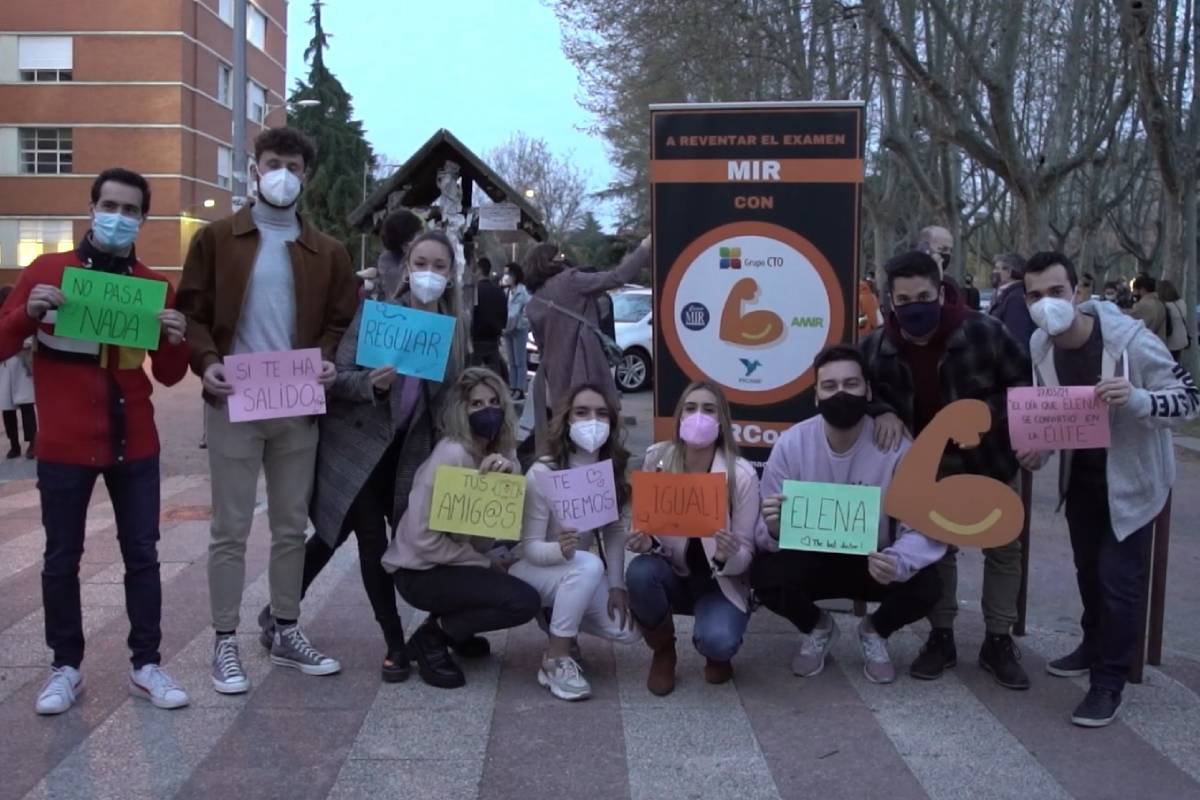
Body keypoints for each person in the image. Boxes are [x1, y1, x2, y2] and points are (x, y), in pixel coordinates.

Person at [0, 168, 191, 714]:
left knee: (143, 556)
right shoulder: (48, 271)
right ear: (91, 207)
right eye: (111, 205)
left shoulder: (154, 286)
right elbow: (1, 341)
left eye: (131, 210)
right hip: (63, 444)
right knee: (62, 557)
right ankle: (65, 667)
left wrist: (174, 338)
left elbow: (172, 375)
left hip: (136, 442)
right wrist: (24, 315)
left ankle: (146, 663)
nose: (119, 217)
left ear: (143, 220)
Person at [177, 127, 358, 694]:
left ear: (306, 176)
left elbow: (339, 318)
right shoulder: (215, 239)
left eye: (294, 166)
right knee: (229, 528)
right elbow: (194, 312)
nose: (283, 173)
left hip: (295, 400)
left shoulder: (327, 251)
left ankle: (285, 629)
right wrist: (206, 362)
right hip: (235, 397)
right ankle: (224, 641)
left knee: (289, 526)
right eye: (274, 162)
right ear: (254, 169)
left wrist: (327, 359)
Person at [264, 229, 466, 683]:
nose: (428, 274)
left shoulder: (451, 333)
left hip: (401, 458)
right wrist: (371, 385)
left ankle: (274, 613)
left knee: (331, 537)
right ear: (406, 268)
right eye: (421, 264)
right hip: (354, 447)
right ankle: (395, 644)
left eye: (439, 266)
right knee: (373, 541)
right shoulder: (379, 317)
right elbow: (336, 378)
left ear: (451, 276)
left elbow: (448, 400)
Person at [1018, 251, 1200, 726]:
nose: (1046, 304)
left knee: (1120, 584)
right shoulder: (1039, 345)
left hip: (1134, 484)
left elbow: (1188, 401)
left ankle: (1108, 683)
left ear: (1077, 292)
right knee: (1088, 573)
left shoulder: (1131, 342)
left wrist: (1138, 398)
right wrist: (1040, 450)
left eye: (1055, 292)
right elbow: (1056, 415)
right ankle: (1093, 643)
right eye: (1034, 295)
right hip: (1080, 482)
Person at [862, 250, 1032, 689]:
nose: (914, 306)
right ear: (890, 301)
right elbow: (856, 385)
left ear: (941, 291)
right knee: (937, 551)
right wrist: (880, 409)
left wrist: (985, 416)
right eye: (903, 299)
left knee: (1004, 549)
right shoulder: (878, 346)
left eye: (923, 295)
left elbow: (1023, 387)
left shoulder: (985, 332)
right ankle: (942, 637)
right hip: (927, 469)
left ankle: (998, 640)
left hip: (990, 460)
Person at [752, 345, 945, 684]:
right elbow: (763, 529)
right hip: (814, 558)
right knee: (763, 575)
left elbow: (921, 527)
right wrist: (775, 529)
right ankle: (818, 627)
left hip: (874, 561)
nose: (840, 393)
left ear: (868, 391)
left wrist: (898, 561)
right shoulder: (791, 444)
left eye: (851, 384)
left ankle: (874, 631)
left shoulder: (898, 447)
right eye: (830, 386)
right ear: (816, 396)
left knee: (929, 584)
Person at [382, 367, 541, 689]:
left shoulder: (504, 451)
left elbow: (510, 521)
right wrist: (482, 562)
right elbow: (422, 538)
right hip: (420, 570)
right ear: (462, 411)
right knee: (523, 601)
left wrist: (510, 479)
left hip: (457, 561)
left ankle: (454, 627)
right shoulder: (451, 454)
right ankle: (433, 638)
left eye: (494, 401)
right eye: (477, 404)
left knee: (511, 581)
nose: (488, 411)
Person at [625, 381, 763, 695]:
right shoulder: (658, 461)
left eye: (708, 409)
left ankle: (715, 651)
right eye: (690, 408)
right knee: (639, 572)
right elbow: (645, 524)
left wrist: (729, 555)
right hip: (672, 573)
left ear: (721, 420)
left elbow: (747, 555)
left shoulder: (740, 474)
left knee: (719, 641)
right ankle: (663, 651)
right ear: (679, 416)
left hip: (720, 584)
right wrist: (647, 544)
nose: (698, 416)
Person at [510, 384, 641, 700]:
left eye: (601, 413)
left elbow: (612, 531)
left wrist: (616, 586)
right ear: (566, 419)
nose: (591, 421)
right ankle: (556, 658)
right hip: (531, 569)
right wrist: (560, 549)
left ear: (612, 422)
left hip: (576, 570)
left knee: (627, 632)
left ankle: (560, 620)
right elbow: (529, 548)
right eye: (581, 412)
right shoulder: (544, 471)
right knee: (586, 564)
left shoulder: (609, 470)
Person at [523, 236, 651, 415]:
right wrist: (644, 248)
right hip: (585, 365)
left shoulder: (532, 305)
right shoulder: (570, 280)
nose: (563, 258)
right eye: (559, 255)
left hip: (556, 375)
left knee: (566, 424)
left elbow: (542, 348)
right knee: (595, 420)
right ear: (550, 261)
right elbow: (617, 277)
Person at [0, 285, 36, 459]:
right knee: (7, 408)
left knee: (26, 406)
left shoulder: (25, 314)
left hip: (22, 365)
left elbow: (30, 338)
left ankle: (32, 443)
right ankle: (14, 444)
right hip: (5, 366)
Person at [988, 253, 1037, 351]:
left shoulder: (1016, 298)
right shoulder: (1007, 295)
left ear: (1009, 272)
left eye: (997, 268)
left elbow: (1016, 339)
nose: (994, 272)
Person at [470, 257, 508, 379]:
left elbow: (472, 314)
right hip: (493, 339)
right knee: (494, 376)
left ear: (479, 270)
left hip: (477, 339)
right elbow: (504, 314)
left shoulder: (474, 291)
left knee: (473, 375)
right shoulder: (499, 291)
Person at [502, 263, 531, 399]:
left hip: (519, 328)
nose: (506, 276)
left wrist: (521, 322)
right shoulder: (506, 291)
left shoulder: (523, 291)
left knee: (520, 360)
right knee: (511, 361)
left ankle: (520, 388)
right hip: (507, 329)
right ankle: (513, 386)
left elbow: (528, 310)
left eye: (508, 273)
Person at [1157, 279, 1190, 362]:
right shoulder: (1181, 302)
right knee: (1176, 361)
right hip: (1181, 339)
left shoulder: (1165, 306)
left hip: (1171, 342)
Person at [1130, 275, 1169, 345]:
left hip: (1147, 346)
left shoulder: (1143, 305)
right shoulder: (1159, 303)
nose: (1133, 293)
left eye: (1134, 290)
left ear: (1142, 289)